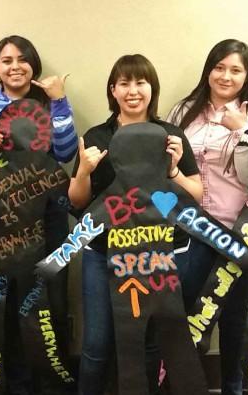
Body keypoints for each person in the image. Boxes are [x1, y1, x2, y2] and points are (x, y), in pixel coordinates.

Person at [70, 54, 203, 395]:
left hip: (156, 257)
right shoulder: (97, 135)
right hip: (103, 255)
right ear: (112, 90)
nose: (133, 91)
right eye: (124, 83)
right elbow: (77, 202)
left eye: (140, 82)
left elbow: (196, 196)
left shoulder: (170, 136)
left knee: (149, 343)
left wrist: (173, 170)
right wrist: (84, 170)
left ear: (151, 88)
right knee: (97, 344)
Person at [0, 35, 77, 394]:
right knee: (8, 305)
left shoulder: (48, 104)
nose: (15, 66)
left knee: (52, 301)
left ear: (34, 65)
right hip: (1, 226)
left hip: (49, 218)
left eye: (23, 59)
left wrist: (59, 102)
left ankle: (53, 382)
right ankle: (16, 383)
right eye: (7, 60)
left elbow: (65, 152)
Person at [166, 39, 248, 395]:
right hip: (190, 228)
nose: (226, 76)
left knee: (234, 315)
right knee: (183, 310)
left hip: (236, 229)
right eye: (219, 67)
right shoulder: (183, 112)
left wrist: (242, 132)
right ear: (209, 71)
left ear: (247, 76)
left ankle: (232, 386)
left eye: (235, 69)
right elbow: (166, 167)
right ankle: (183, 383)